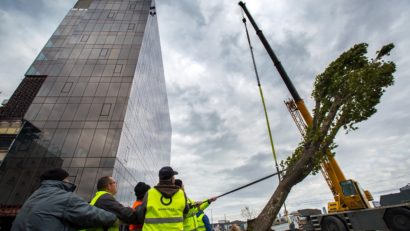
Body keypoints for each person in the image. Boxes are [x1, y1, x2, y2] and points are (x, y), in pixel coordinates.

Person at [11, 168, 117, 231]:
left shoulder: (35, 196)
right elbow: (93, 214)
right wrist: (115, 218)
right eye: (67, 179)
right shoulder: (64, 197)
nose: (69, 181)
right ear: (62, 180)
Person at [137, 166, 189, 230]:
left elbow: (140, 215)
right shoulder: (181, 194)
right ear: (172, 179)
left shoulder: (150, 193)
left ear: (159, 178)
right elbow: (186, 211)